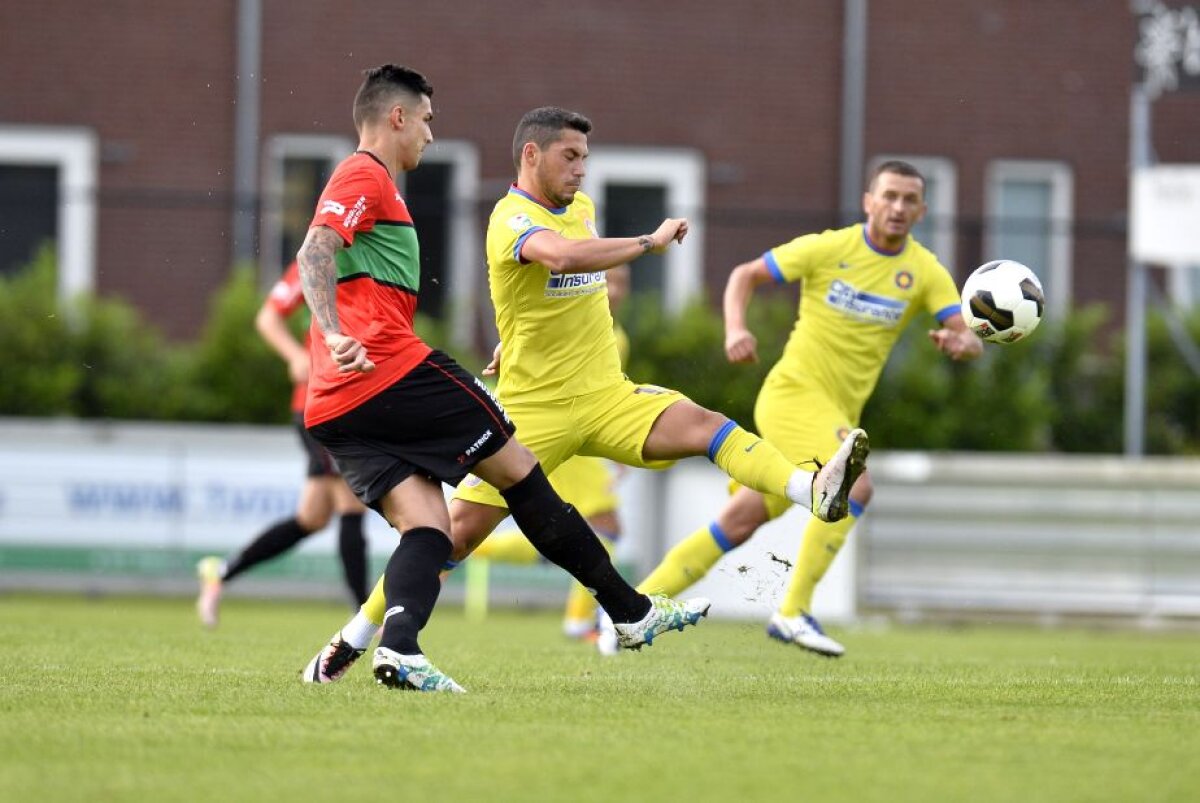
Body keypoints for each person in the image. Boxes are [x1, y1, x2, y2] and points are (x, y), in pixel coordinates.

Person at [299, 106, 869, 684]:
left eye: (585, 160)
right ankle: (353, 638)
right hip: (533, 411)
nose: (580, 171)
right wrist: (649, 242)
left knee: (706, 425)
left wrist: (508, 338)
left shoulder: (584, 210)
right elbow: (561, 259)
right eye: (569, 158)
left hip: (606, 396)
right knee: (454, 534)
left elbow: (550, 296)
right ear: (531, 155)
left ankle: (813, 490)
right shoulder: (509, 217)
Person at [294, 66, 711, 693]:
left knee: (430, 529)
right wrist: (330, 331)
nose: (432, 136)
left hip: (332, 405)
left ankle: (398, 649)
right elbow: (314, 250)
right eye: (429, 120)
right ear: (398, 117)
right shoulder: (363, 174)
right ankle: (630, 610)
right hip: (389, 372)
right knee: (520, 471)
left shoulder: (380, 187)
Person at [619, 160, 982, 657]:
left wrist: (965, 344)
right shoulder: (829, 247)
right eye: (889, 196)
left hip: (835, 414)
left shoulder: (923, 270)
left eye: (909, 200)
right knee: (858, 484)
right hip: (792, 395)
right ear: (868, 202)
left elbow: (964, 331)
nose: (898, 207)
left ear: (922, 210)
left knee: (741, 519)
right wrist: (734, 328)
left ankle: (628, 612)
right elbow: (744, 275)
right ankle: (791, 612)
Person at [195, 261, 369, 628]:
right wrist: (295, 356)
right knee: (351, 504)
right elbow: (268, 318)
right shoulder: (316, 260)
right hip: (321, 405)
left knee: (312, 517)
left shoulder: (371, 260)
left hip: (344, 402)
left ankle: (221, 574)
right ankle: (366, 616)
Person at [467, 264, 633, 641]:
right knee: (603, 528)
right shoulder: (586, 323)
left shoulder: (616, 334)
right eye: (609, 281)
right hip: (565, 438)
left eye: (624, 283)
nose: (617, 290)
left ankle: (578, 617)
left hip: (581, 439)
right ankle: (578, 620)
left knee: (588, 528)